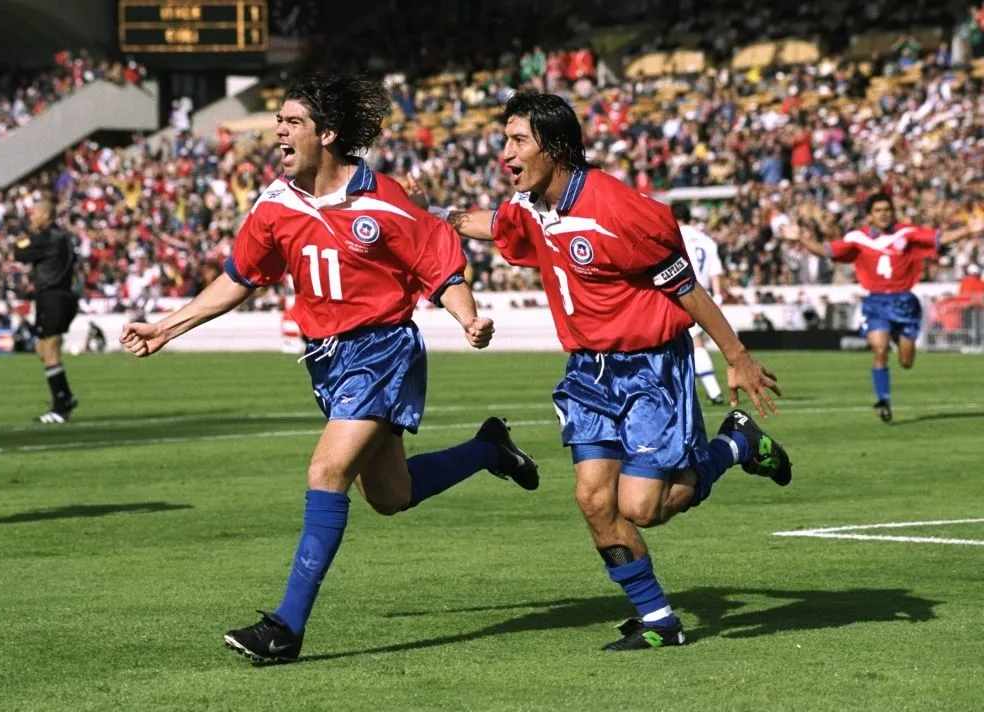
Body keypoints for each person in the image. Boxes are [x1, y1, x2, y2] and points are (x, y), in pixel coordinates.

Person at [119, 72, 540, 665]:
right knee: (392, 496)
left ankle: (285, 629)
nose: (279, 131)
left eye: (292, 122)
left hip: (381, 352)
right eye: (280, 121)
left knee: (325, 471)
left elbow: (440, 265)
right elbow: (239, 279)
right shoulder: (274, 203)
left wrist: (467, 318)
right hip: (327, 362)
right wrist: (167, 326)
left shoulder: (384, 200)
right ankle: (491, 449)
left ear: (329, 134)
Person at [416, 92, 791, 651]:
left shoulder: (620, 210)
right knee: (594, 500)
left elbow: (685, 288)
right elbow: (494, 223)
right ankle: (660, 620)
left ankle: (736, 444)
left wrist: (736, 356)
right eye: (504, 141)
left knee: (644, 508)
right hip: (588, 373)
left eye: (518, 141)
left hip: (651, 370)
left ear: (557, 146)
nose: (506, 154)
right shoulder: (530, 205)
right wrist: (434, 217)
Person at [788, 193, 983, 422]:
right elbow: (827, 251)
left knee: (906, 361)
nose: (883, 214)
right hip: (876, 303)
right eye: (878, 210)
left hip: (904, 303)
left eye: (887, 209)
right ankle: (883, 400)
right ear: (870, 216)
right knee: (879, 349)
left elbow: (940, 238)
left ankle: (897, 338)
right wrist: (800, 237)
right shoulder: (858, 238)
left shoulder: (906, 233)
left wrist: (967, 230)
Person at [12, 198, 80, 423]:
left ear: (45, 216)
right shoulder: (61, 237)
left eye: (34, 214)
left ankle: (61, 404)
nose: (31, 217)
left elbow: (19, 253)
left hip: (53, 296)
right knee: (43, 348)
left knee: (49, 348)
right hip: (59, 296)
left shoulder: (48, 237)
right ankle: (65, 395)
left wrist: (23, 241)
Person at [671, 202, 726, 405]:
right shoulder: (707, 241)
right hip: (706, 297)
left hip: (684, 295)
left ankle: (713, 391)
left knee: (693, 343)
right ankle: (691, 390)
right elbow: (716, 273)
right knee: (690, 344)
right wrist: (718, 298)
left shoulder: (675, 237)